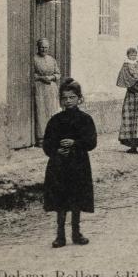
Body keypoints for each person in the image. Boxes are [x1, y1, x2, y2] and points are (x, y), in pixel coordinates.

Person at [42, 78, 97, 248]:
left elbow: (91, 142)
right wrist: (56, 150)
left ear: (79, 98)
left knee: (76, 199)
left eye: (72, 97)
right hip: (59, 166)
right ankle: (60, 235)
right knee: (60, 200)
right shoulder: (55, 120)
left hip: (78, 165)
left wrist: (75, 144)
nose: (68, 101)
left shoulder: (86, 119)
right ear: (60, 100)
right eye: (64, 98)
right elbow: (47, 144)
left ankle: (76, 233)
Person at [32, 38, 61, 147]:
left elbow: (58, 73)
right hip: (40, 88)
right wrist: (40, 78)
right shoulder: (34, 59)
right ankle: (41, 138)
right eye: (42, 47)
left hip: (51, 88)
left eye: (46, 47)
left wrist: (52, 77)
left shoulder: (52, 59)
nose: (44, 49)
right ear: (38, 48)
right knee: (42, 112)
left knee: (52, 111)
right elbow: (32, 74)